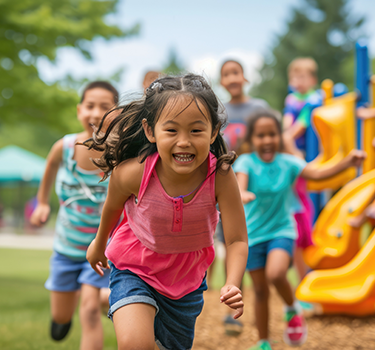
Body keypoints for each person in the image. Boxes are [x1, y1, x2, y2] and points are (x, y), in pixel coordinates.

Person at [85, 74, 248, 350]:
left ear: (213, 130)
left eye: (196, 131)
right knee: (136, 344)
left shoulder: (219, 175)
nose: (184, 141)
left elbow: (236, 239)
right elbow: (112, 207)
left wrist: (232, 283)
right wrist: (99, 243)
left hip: (186, 281)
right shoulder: (134, 173)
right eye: (171, 131)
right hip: (134, 267)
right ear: (151, 131)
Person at [233, 110, 365, 350]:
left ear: (279, 137)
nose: (267, 140)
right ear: (252, 140)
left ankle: (292, 306)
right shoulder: (246, 162)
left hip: (282, 230)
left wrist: (347, 162)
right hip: (252, 235)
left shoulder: (288, 163)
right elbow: (240, 185)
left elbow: (316, 174)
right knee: (260, 291)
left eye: (272, 134)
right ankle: (263, 342)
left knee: (276, 273)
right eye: (261, 136)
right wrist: (242, 195)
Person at [30, 81, 119, 349]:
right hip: (66, 249)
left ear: (116, 112)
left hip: (99, 250)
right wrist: (42, 203)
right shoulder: (65, 147)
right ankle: (70, 311)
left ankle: (98, 297)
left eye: (105, 107)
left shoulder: (119, 154)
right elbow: (50, 167)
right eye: (90, 105)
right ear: (80, 109)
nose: (95, 113)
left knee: (90, 310)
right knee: (61, 316)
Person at [218, 59, 270, 334]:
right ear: (222, 81)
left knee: (250, 242)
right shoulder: (219, 110)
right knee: (230, 245)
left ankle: (256, 297)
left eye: (236, 72)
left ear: (244, 77)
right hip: (224, 185)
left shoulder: (258, 107)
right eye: (226, 74)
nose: (232, 77)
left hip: (253, 189)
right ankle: (232, 302)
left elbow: (274, 138)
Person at [283, 57, 320, 281]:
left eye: (303, 76)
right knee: (298, 210)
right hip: (297, 159)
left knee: (306, 211)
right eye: (294, 77)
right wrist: (287, 138)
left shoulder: (314, 99)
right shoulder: (292, 99)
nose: (298, 80)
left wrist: (287, 140)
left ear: (312, 79)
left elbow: (301, 126)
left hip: (309, 156)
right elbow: (287, 124)